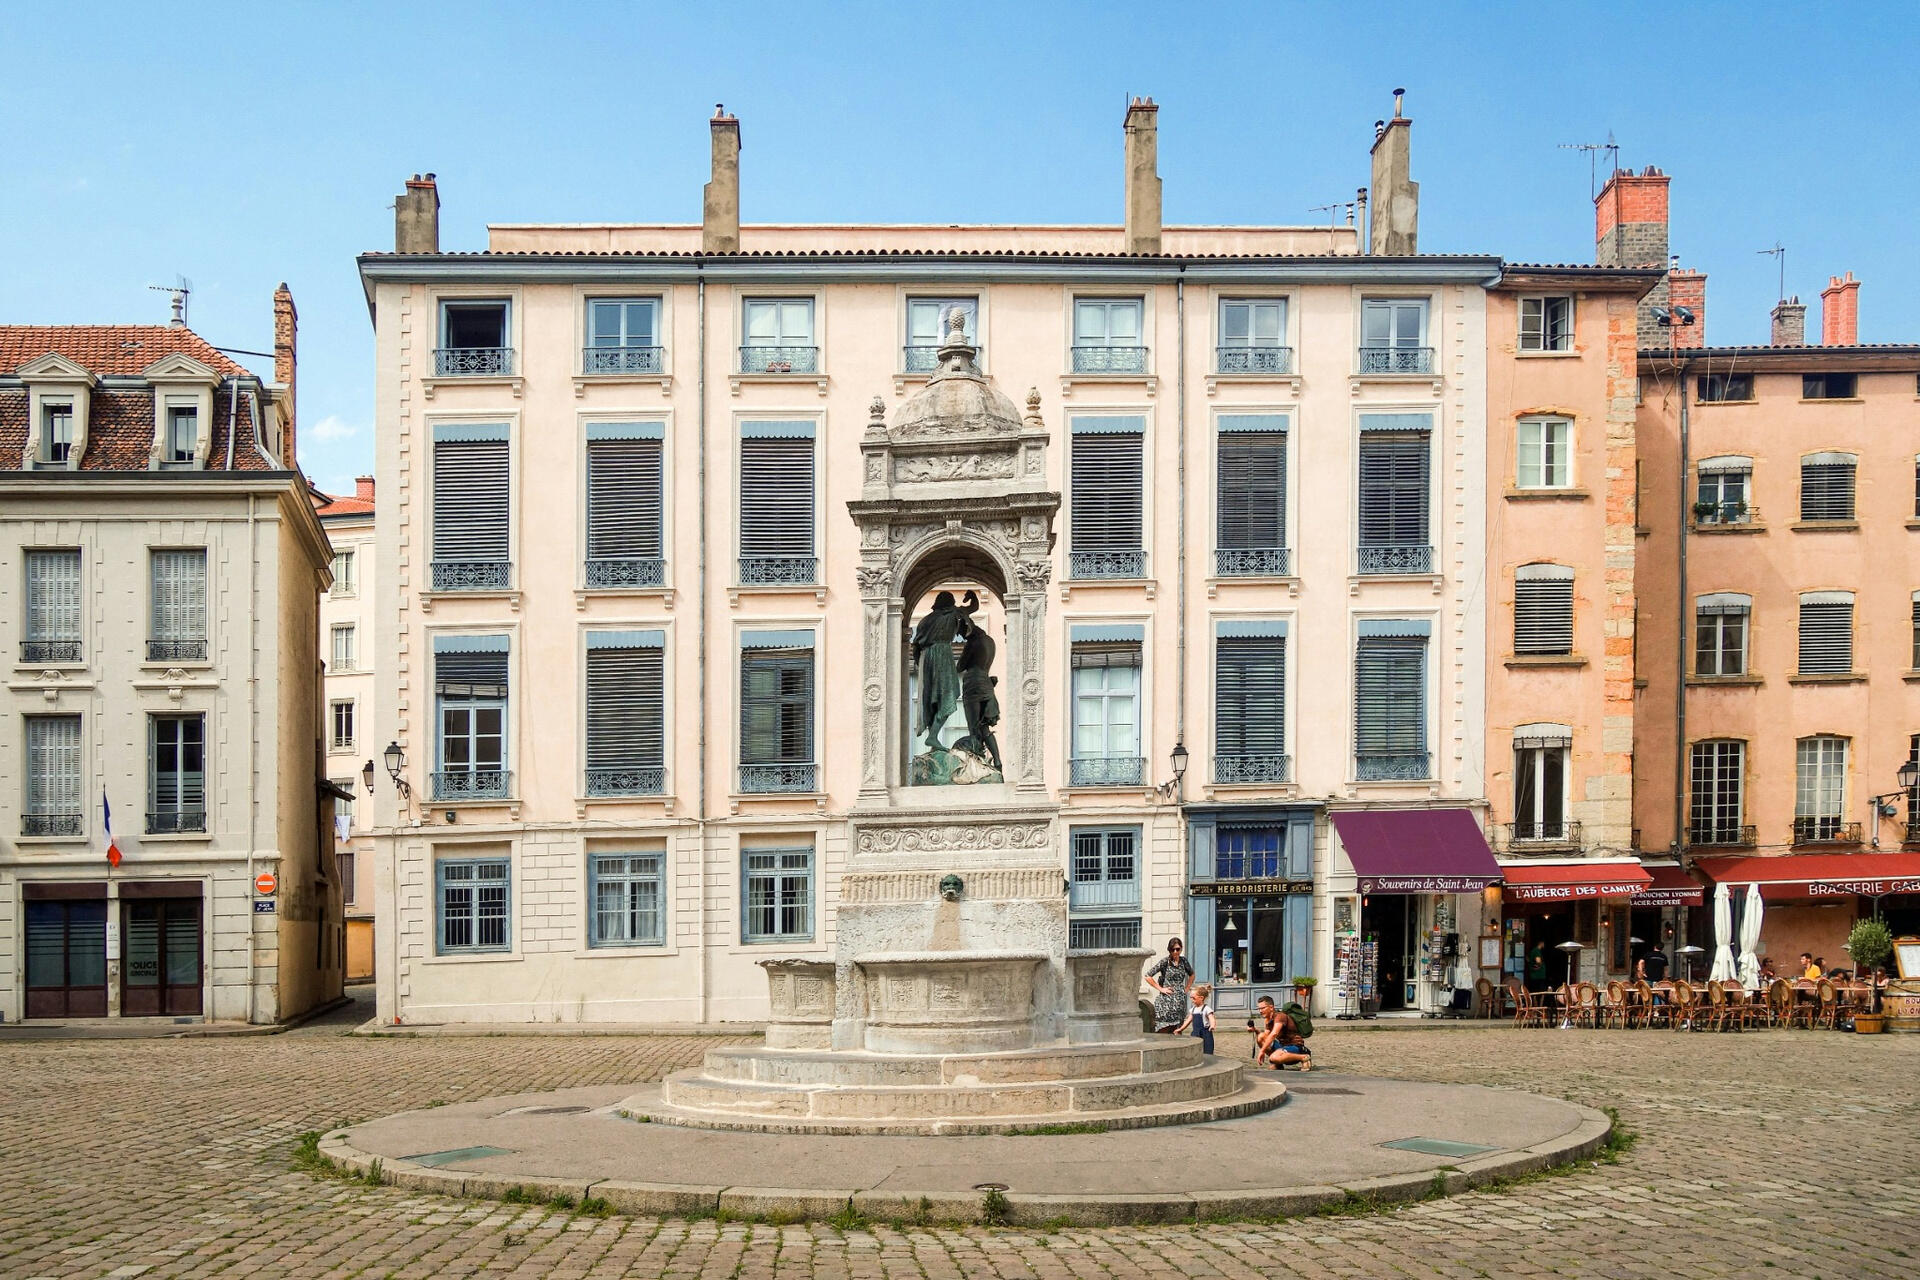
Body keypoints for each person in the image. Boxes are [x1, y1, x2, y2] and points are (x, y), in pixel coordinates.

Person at [910, 590, 979, 745]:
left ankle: (933, 736)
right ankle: (933, 736)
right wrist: (972, 596)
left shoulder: (925, 621)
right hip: (943, 654)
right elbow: (973, 607)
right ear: (950, 602)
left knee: (931, 698)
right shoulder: (954, 612)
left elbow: (915, 647)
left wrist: (919, 664)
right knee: (950, 693)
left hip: (926, 658)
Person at [1143, 939, 1194, 1033]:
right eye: (1172, 949)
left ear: (1181, 949)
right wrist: (1161, 989)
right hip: (1166, 1001)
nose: (1175, 952)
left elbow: (1192, 974)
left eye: (1177, 949)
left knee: (1177, 1029)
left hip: (1179, 1000)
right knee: (1164, 1029)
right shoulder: (1165, 961)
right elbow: (1147, 976)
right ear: (1169, 950)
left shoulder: (1184, 961)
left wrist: (1187, 988)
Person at [1250, 995, 1311, 1071]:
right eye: (1259, 1009)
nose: (1260, 1011)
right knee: (1261, 1037)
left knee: (1273, 1057)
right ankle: (1278, 1063)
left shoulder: (1280, 1017)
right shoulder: (1268, 1020)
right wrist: (1255, 1030)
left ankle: (1304, 1057)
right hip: (1283, 1046)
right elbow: (1266, 1036)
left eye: (1263, 1008)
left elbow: (1274, 1034)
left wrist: (1262, 1051)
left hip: (1295, 1047)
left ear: (1271, 1007)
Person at [1178, 983, 1216, 1055]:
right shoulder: (1193, 1010)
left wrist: (1212, 1025)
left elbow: (1211, 1018)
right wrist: (1181, 1029)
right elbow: (1188, 1020)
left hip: (1205, 1033)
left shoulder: (1206, 1009)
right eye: (1191, 998)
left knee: (1207, 1049)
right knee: (1195, 1050)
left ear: (1201, 998)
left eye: (1193, 998)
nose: (1192, 1000)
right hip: (1195, 1033)